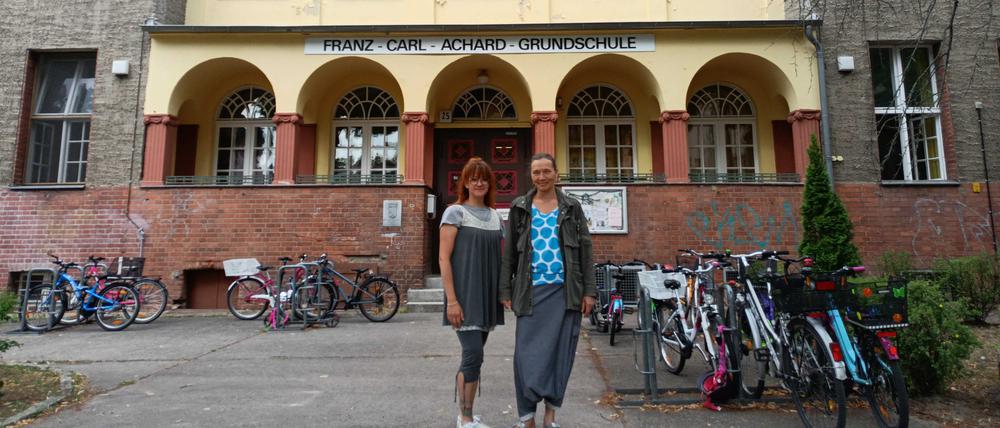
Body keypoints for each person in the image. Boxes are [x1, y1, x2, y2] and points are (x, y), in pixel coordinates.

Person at [500, 153, 597, 428]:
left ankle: (550, 415)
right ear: (530, 176)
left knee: (560, 354)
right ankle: (526, 416)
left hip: (565, 293)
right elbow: (509, 255)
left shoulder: (571, 207)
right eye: (536, 172)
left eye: (546, 171)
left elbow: (585, 252)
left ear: (556, 173)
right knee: (526, 357)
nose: (541, 177)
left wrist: (589, 292)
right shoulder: (520, 207)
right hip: (530, 293)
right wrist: (505, 289)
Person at [440, 157, 505, 428]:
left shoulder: (495, 217)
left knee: (474, 358)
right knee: (473, 355)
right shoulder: (455, 213)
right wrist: (452, 301)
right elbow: (444, 259)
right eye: (473, 178)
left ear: (489, 183)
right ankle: (466, 419)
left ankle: (466, 414)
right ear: (465, 182)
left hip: (488, 296)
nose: (478, 182)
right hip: (465, 296)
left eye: (483, 178)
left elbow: (500, 259)